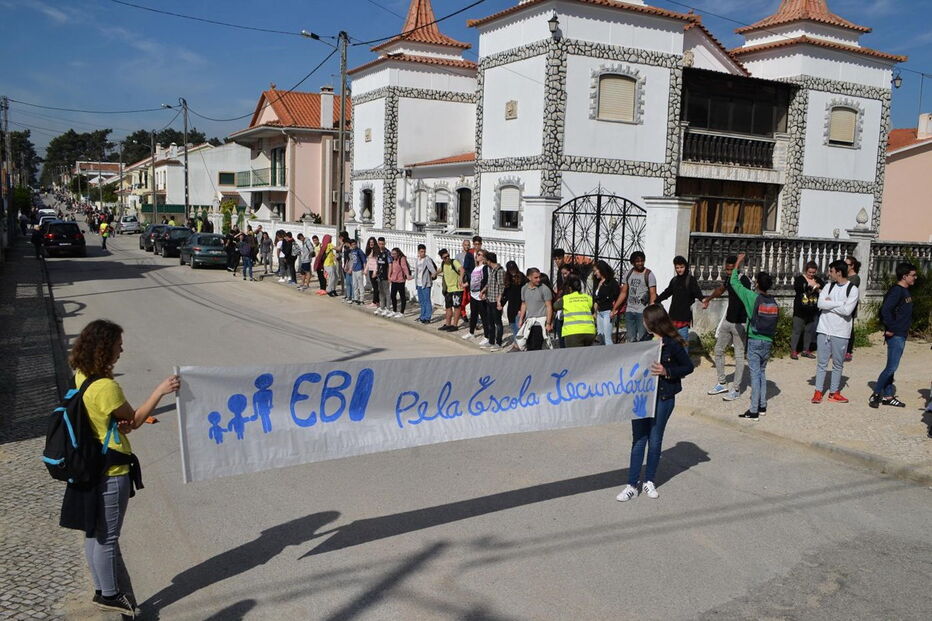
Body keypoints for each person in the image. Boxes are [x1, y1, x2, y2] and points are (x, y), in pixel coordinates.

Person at [62, 319, 179, 616]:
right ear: (104, 348)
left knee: (94, 532)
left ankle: (102, 589)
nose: (122, 349)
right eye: (117, 345)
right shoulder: (107, 387)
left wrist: (117, 422)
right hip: (111, 471)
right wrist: (160, 391)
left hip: (89, 465)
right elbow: (135, 421)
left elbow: (114, 421)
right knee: (108, 537)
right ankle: (111, 595)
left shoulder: (81, 376)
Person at [616, 304, 694, 502]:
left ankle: (649, 480)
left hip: (664, 398)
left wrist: (667, 371)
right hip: (641, 399)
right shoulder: (643, 341)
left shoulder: (673, 343)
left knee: (655, 439)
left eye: (645, 319)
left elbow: (688, 366)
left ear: (653, 322)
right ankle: (632, 484)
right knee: (639, 440)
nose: (642, 322)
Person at [730, 253, 778, 421]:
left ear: (757, 283)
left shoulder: (752, 297)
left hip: (755, 339)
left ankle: (754, 410)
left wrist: (737, 262)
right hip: (768, 340)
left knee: (755, 375)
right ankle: (763, 405)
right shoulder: (772, 300)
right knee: (762, 373)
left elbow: (733, 282)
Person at [702, 256, 751, 402]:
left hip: (740, 324)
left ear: (737, 268)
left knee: (739, 356)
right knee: (718, 350)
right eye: (727, 269)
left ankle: (735, 389)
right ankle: (722, 383)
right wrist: (708, 299)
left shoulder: (743, 280)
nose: (729, 272)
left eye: (732, 269)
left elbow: (747, 299)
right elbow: (720, 290)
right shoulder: (730, 279)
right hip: (728, 321)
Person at [870, 262, 917, 408]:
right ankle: (876, 394)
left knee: (892, 367)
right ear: (904, 276)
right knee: (891, 367)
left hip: (901, 333)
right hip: (895, 334)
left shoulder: (906, 291)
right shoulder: (897, 291)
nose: (915, 278)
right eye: (913, 275)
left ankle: (888, 396)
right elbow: (885, 310)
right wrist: (890, 327)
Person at [811, 260, 858, 404]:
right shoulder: (828, 287)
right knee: (821, 363)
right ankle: (818, 391)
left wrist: (829, 304)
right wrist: (839, 304)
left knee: (838, 364)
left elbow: (847, 310)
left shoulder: (852, 289)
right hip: (824, 330)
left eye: (831, 271)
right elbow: (820, 303)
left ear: (839, 272)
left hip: (841, 332)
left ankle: (834, 392)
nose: (829, 274)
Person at [655, 256, 704, 342]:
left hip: (684, 318)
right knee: (671, 343)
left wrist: (703, 300)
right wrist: (656, 300)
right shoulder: (674, 280)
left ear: (686, 266)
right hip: (673, 316)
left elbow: (697, 292)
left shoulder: (690, 280)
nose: (679, 270)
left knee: (683, 343)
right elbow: (667, 292)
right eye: (677, 268)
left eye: (681, 267)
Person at [612, 251, 657, 344]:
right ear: (632, 262)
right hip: (630, 311)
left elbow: (653, 294)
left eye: (642, 261)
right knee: (631, 338)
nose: (640, 263)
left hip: (642, 312)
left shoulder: (649, 274)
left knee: (641, 338)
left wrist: (651, 310)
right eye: (637, 261)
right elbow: (623, 292)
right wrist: (614, 308)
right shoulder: (629, 274)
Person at [790, 261, 822, 360]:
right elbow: (798, 288)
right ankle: (793, 351)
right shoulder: (800, 279)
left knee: (809, 331)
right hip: (800, 309)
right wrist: (811, 287)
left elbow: (824, 287)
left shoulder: (817, 280)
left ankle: (806, 350)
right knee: (797, 331)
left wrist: (817, 287)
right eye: (810, 272)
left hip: (812, 309)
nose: (811, 274)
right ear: (806, 271)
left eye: (813, 272)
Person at [553, 275, 596, 347]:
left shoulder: (566, 298)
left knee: (574, 356)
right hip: (589, 331)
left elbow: (555, 306)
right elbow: (592, 308)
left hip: (573, 332)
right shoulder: (587, 297)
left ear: (570, 288)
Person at [516, 268, 554, 351]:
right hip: (529, 322)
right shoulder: (524, 288)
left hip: (540, 323)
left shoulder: (544, 289)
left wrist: (548, 323)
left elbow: (549, 307)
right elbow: (524, 304)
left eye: (539, 277)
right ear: (529, 277)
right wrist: (521, 319)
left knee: (536, 347)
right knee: (527, 345)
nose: (538, 279)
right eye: (536, 278)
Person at [462, 250, 489, 344]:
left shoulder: (484, 268)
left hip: (480, 295)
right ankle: (471, 332)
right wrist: (465, 284)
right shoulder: (476, 267)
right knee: (473, 315)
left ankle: (487, 336)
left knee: (484, 316)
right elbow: (473, 279)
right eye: (476, 255)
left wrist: (484, 292)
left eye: (479, 254)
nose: (476, 256)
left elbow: (486, 280)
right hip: (473, 294)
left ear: (484, 257)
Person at [592, 261, 620, 346]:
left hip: (608, 312)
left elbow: (617, 297)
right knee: (601, 337)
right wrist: (594, 312)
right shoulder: (598, 282)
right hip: (599, 313)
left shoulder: (612, 282)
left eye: (596, 271)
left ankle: (612, 357)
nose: (594, 273)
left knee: (607, 338)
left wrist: (614, 310)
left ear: (602, 270)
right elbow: (597, 299)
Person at [438, 248, 464, 332]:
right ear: (442, 258)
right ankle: (448, 324)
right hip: (448, 289)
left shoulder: (454, 262)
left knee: (457, 307)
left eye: (448, 256)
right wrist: (434, 273)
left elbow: (462, 269)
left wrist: (461, 277)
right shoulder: (443, 264)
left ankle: (455, 325)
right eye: (445, 257)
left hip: (457, 289)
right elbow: (440, 269)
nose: (447, 258)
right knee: (448, 307)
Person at [484, 252, 505, 350]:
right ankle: (491, 341)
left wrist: (499, 301)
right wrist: (483, 291)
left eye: (486, 260)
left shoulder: (499, 271)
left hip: (496, 301)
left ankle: (499, 343)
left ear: (489, 260)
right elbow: (489, 283)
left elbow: (502, 287)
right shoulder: (490, 270)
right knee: (490, 322)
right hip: (489, 299)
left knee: (498, 323)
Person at [501, 261, 527, 342]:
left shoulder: (522, 277)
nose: (512, 271)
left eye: (513, 269)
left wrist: (521, 309)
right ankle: (517, 343)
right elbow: (506, 293)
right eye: (510, 270)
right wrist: (501, 303)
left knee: (518, 326)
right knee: (512, 325)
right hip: (511, 306)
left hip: (520, 305)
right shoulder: (507, 278)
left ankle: (519, 344)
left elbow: (525, 294)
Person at [414, 244, 438, 324]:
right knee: (421, 301)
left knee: (427, 300)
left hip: (426, 283)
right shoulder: (417, 260)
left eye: (424, 251)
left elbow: (433, 271)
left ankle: (427, 317)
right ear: (418, 252)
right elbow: (417, 272)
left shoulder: (427, 259)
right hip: (419, 283)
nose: (423, 253)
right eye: (421, 251)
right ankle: (422, 316)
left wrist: (431, 277)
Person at [844, 256, 861, 361]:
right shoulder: (845, 276)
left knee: (850, 328)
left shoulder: (855, 278)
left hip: (850, 306)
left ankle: (848, 351)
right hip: (842, 305)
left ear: (852, 266)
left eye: (847, 264)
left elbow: (848, 289)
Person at [387, 247, 411, 317]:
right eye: (392, 254)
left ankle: (402, 312)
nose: (393, 255)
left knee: (402, 296)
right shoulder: (393, 259)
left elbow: (405, 268)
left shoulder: (402, 259)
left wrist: (407, 275)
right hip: (394, 280)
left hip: (401, 280)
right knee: (393, 295)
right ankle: (394, 310)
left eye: (394, 254)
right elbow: (391, 268)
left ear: (398, 253)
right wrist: (389, 277)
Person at [373, 237, 393, 312]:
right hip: (379, 275)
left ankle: (388, 308)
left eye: (382, 244)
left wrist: (389, 275)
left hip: (385, 275)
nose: (381, 245)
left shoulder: (387, 253)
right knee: (380, 291)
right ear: (378, 244)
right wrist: (375, 272)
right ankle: (382, 307)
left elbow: (390, 265)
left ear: (385, 244)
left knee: (386, 291)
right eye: (380, 244)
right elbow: (377, 263)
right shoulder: (378, 252)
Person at [348, 239, 367, 305]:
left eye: (355, 244)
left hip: (359, 269)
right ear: (350, 245)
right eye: (353, 244)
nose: (354, 245)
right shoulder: (352, 251)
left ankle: (361, 299)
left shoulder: (359, 251)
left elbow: (364, 260)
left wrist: (364, 269)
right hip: (354, 270)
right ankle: (356, 298)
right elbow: (352, 261)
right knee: (354, 285)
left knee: (360, 285)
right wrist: (350, 269)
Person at [365, 237, 380, 307]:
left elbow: (377, 262)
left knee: (375, 287)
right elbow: (368, 261)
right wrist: (365, 270)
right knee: (374, 287)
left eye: (372, 242)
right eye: (370, 242)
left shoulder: (376, 250)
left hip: (375, 270)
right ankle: (377, 302)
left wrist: (375, 272)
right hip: (370, 270)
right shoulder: (369, 250)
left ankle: (375, 301)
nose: (371, 243)